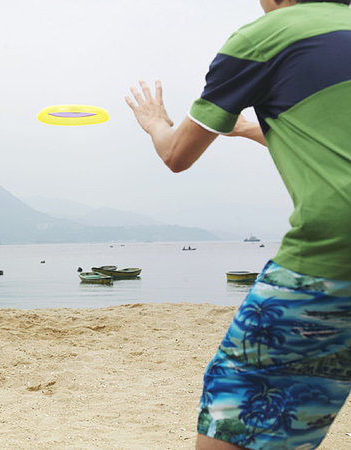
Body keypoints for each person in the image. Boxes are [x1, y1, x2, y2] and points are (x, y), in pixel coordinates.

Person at [125, 0, 351, 448]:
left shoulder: (263, 37)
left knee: (230, 426)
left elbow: (176, 154)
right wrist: (248, 128)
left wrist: (155, 123)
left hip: (332, 257)